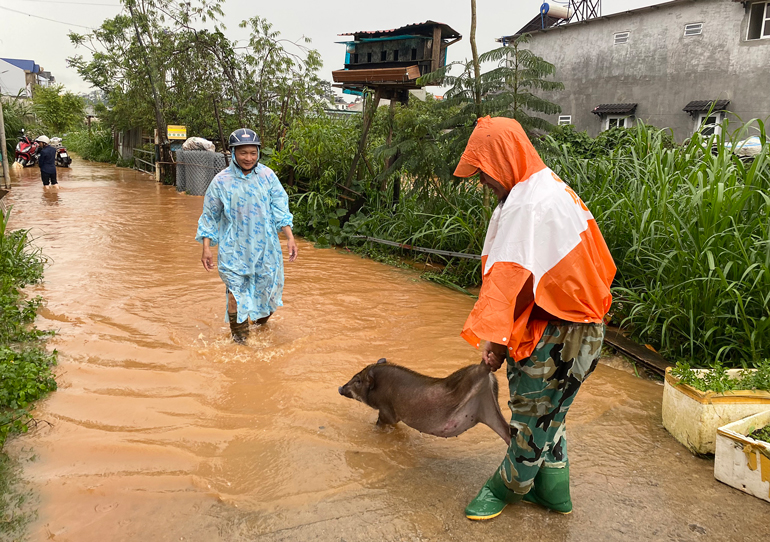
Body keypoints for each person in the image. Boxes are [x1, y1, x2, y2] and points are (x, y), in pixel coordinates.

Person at [455, 117, 616, 520]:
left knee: (531, 421)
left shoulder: (527, 205)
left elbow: (507, 286)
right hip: (585, 329)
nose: (483, 182)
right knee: (552, 414)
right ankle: (555, 492)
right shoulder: (553, 189)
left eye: (485, 170)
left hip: (558, 334)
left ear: (505, 160)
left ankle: (505, 489)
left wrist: (493, 343)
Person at [196, 128, 298, 344]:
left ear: (258, 152)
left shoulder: (268, 176)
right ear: (233, 152)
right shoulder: (220, 181)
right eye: (243, 153)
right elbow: (210, 216)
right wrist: (206, 247)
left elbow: (280, 208)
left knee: (269, 296)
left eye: (253, 152)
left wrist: (289, 237)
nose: (248, 158)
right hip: (233, 249)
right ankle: (240, 342)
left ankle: (260, 327)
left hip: (266, 249)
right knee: (234, 295)